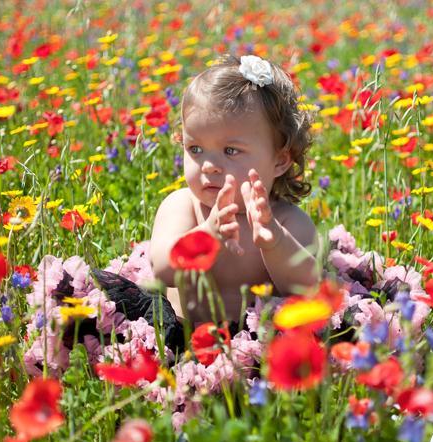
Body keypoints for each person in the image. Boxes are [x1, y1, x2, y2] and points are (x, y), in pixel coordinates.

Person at [95, 54, 321, 356]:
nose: (210, 165)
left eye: (231, 150)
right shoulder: (182, 207)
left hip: (258, 348)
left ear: (279, 159)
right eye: (196, 149)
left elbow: (307, 287)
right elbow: (163, 268)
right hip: (181, 335)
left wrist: (276, 242)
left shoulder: (287, 220)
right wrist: (207, 235)